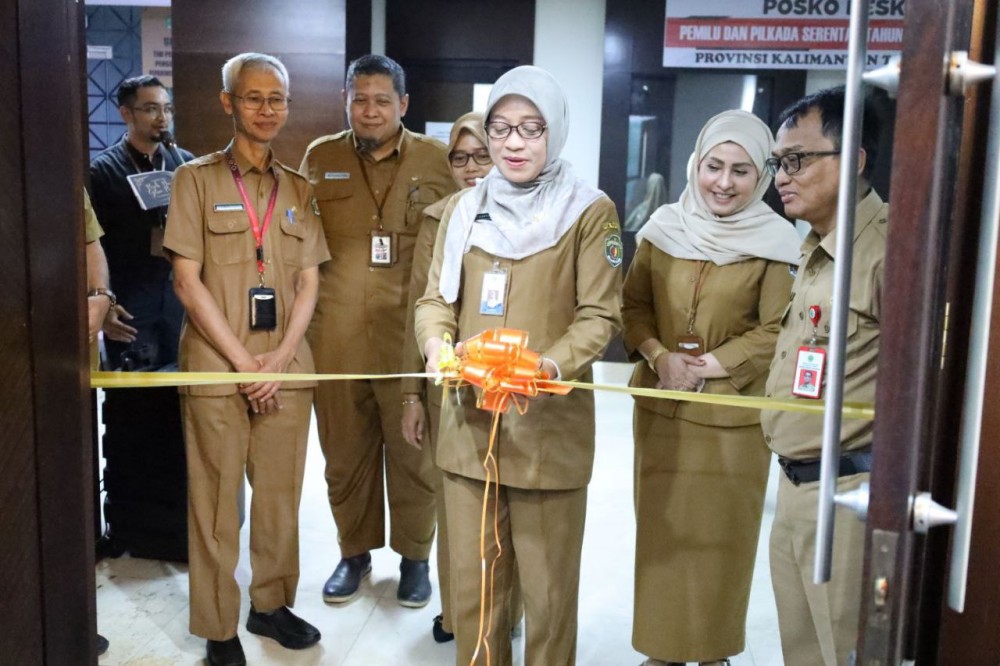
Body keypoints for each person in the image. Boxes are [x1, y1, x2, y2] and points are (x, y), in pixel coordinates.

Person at [416, 65, 623, 666]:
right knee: (476, 590)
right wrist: (436, 346)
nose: (513, 143)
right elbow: (436, 299)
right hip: (468, 428)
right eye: (501, 128)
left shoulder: (590, 211)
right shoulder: (463, 210)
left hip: (546, 435)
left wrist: (548, 368)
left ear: (554, 133)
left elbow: (598, 316)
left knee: (548, 594)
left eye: (530, 129)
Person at [163, 52, 329, 666]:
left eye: (277, 99)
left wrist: (281, 357)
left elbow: (310, 283)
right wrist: (242, 364)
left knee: (281, 496)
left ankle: (270, 604)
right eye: (253, 97)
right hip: (216, 367)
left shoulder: (299, 189)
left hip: (286, 368)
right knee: (215, 501)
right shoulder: (195, 181)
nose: (267, 109)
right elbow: (186, 281)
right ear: (227, 102)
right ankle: (217, 626)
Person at [621, 110, 799, 666]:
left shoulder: (775, 242)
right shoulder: (663, 228)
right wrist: (657, 356)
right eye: (714, 166)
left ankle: (713, 651)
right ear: (696, 165)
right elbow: (634, 305)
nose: (723, 182)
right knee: (662, 535)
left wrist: (710, 366)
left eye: (741, 171)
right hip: (660, 409)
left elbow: (780, 329)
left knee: (721, 544)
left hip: (733, 421)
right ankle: (662, 649)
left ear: (761, 176)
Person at [300, 54, 456, 608]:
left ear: (404, 105)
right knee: (343, 455)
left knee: (415, 457)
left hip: (409, 342)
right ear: (346, 100)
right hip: (336, 341)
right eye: (360, 98)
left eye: (382, 100)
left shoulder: (437, 161)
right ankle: (354, 553)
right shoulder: (321, 158)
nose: (370, 110)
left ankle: (415, 559)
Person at [761, 86, 887, 666]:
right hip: (792, 490)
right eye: (777, 163)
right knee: (803, 652)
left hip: (850, 497)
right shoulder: (813, 249)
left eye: (797, 160)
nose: (782, 177)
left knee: (848, 654)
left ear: (854, 159)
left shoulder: (889, 252)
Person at [400, 112, 524, 644]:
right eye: (459, 157)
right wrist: (411, 392)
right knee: (456, 508)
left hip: (515, 380)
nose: (471, 167)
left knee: (513, 504)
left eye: (481, 154)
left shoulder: (529, 211)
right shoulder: (438, 218)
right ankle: (457, 613)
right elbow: (422, 304)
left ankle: (507, 612)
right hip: (450, 383)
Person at [89, 75, 194, 370]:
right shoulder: (101, 171)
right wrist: (103, 302)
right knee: (134, 398)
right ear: (126, 113)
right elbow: (90, 245)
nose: (163, 118)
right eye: (151, 109)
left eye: (167, 109)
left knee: (179, 393)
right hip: (129, 302)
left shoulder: (185, 164)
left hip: (178, 298)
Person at [83, 189, 112, 658]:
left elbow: (92, 248)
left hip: (68, 360)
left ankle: (65, 615)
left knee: (68, 486)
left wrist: (102, 297)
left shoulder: (48, 169)